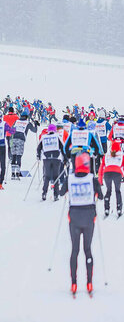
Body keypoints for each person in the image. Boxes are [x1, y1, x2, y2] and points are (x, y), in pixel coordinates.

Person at [59, 153, 101, 296]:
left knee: (75, 250)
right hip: (89, 218)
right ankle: (89, 282)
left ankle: (74, 283)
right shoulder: (92, 179)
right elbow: (100, 195)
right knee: (87, 250)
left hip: (74, 218)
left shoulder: (69, 178)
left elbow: (60, 192)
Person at [37, 124, 65, 201]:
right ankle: (56, 195)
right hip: (56, 158)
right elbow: (63, 148)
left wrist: (38, 156)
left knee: (47, 176)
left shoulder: (44, 137)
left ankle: (44, 193)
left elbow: (39, 148)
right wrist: (65, 158)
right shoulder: (57, 136)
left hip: (46, 158)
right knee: (56, 176)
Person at [10, 111, 38, 179]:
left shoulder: (16, 121)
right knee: (19, 156)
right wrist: (36, 124)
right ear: (27, 117)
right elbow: (34, 130)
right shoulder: (27, 123)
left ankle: (13, 174)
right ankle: (17, 173)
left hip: (13, 139)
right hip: (21, 139)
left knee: (14, 156)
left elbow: (11, 130)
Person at [98, 141, 123, 217]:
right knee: (117, 191)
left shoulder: (106, 155)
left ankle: (106, 208)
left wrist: (100, 180)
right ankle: (119, 209)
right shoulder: (122, 155)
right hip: (117, 173)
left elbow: (101, 168)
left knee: (108, 191)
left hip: (107, 173)